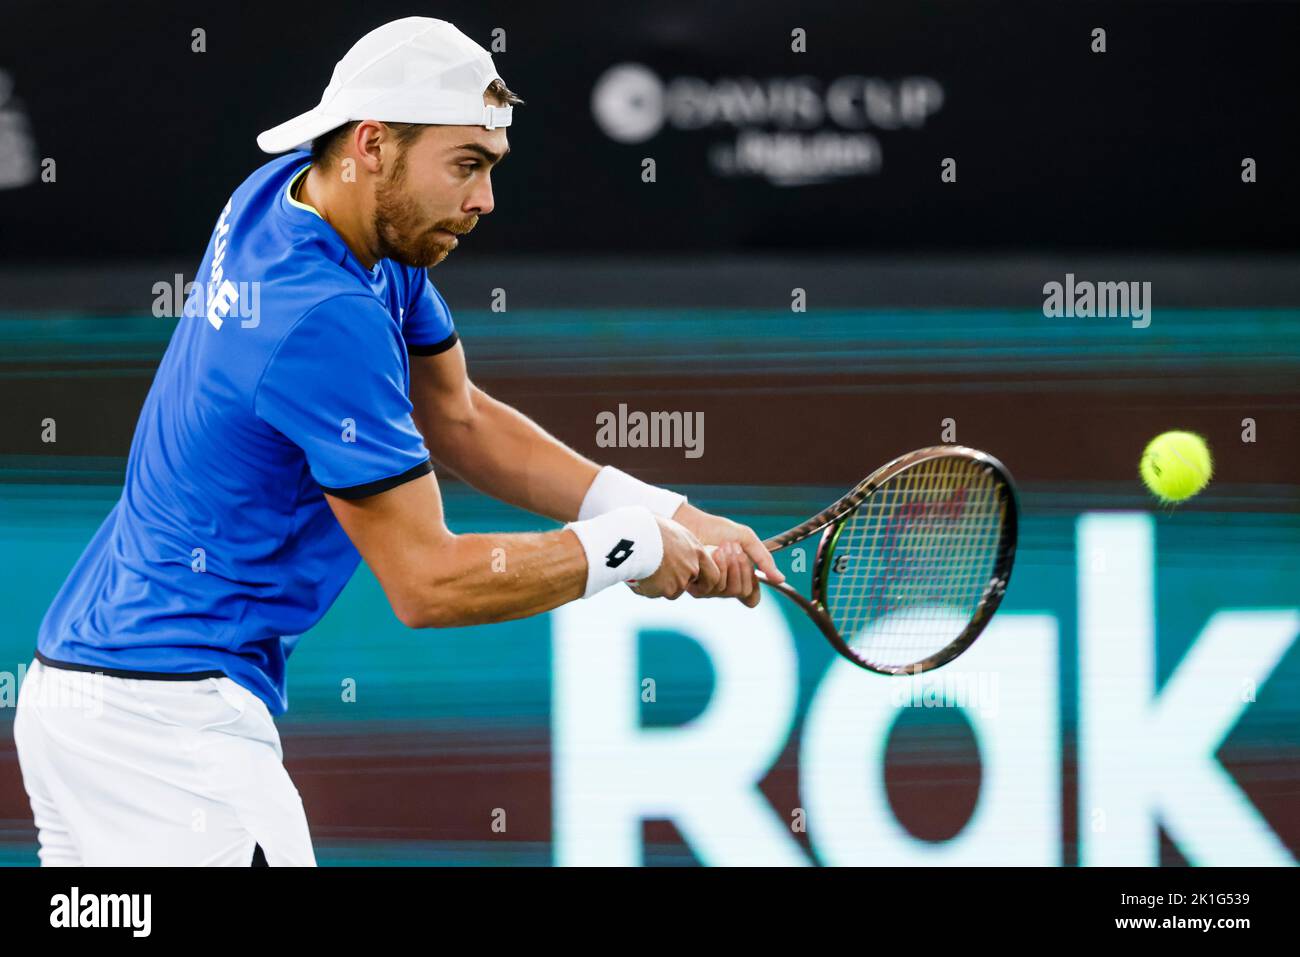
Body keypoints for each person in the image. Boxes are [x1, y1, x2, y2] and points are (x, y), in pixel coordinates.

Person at [12, 16, 783, 866]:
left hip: (78, 694)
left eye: (490, 168)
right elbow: (428, 583)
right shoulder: (324, 318)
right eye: (468, 166)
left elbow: (458, 416)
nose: (485, 199)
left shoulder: (294, 197)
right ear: (374, 143)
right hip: (166, 733)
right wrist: (630, 548)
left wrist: (670, 510)